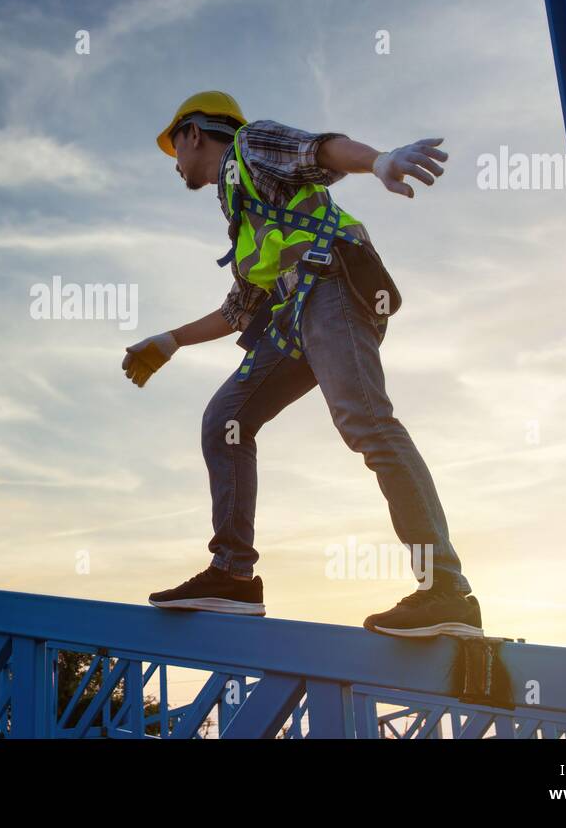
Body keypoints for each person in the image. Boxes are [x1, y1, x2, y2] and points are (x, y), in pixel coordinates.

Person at [125, 91, 482, 638]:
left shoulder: (250, 143)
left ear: (194, 132)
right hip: (293, 318)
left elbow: (319, 151)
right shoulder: (240, 211)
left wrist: (379, 161)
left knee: (366, 423)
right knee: (227, 419)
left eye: (174, 145)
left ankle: (446, 591)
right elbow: (239, 308)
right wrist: (169, 341)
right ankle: (232, 576)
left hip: (333, 286)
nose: (174, 161)